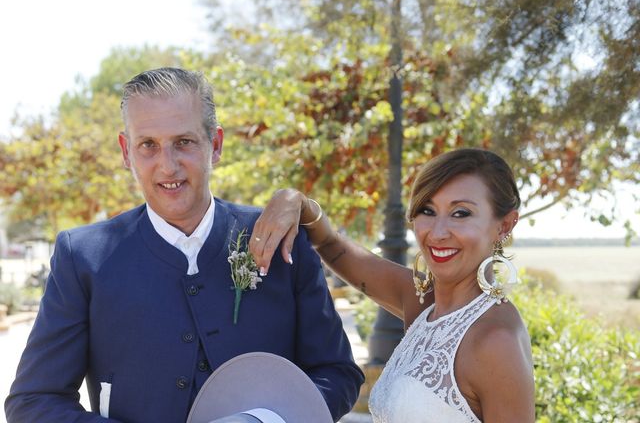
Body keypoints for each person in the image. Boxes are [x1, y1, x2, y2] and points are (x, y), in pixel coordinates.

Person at [5, 68, 364, 423]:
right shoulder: (82, 256)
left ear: (216, 145)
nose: (168, 165)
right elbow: (34, 400)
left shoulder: (283, 238)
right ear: (126, 151)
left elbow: (337, 373)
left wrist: (265, 421)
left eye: (184, 142)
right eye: (148, 145)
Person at [250, 148, 535, 422]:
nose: (437, 232)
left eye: (461, 213)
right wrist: (292, 200)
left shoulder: (496, 339)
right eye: (427, 210)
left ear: (505, 225)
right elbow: (330, 243)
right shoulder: (425, 302)